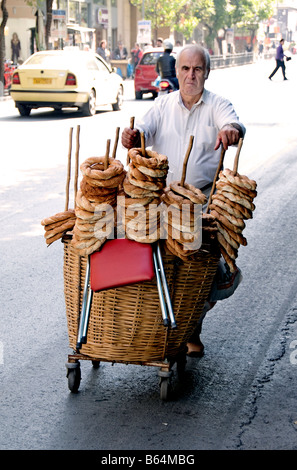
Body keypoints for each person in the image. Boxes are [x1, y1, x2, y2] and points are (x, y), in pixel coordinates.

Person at [121, 44, 245, 357]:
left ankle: (192, 326)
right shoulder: (162, 105)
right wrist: (132, 136)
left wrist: (231, 130)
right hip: (159, 200)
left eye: (198, 69)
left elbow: (234, 123)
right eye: (186, 69)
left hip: (200, 202)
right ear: (176, 72)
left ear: (207, 72)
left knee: (205, 270)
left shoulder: (217, 104)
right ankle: (152, 328)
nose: (191, 75)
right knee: (157, 265)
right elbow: (142, 130)